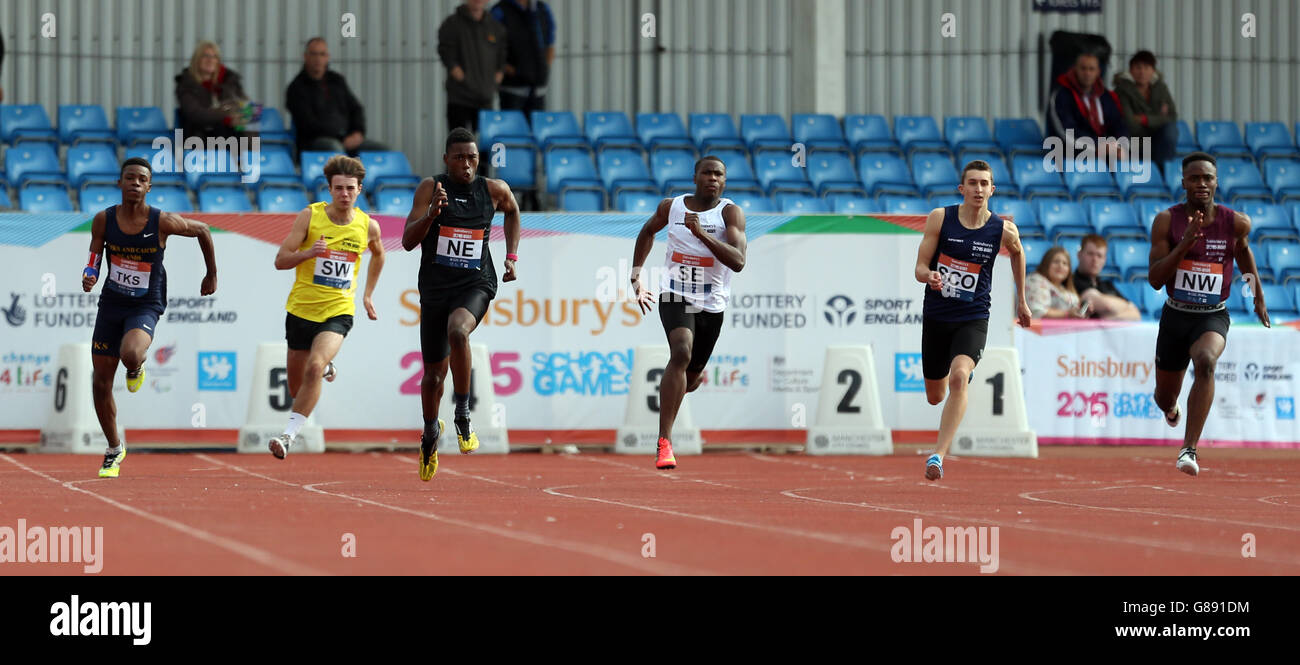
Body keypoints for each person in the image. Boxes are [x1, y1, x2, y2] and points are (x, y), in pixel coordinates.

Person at [82, 158, 218, 478]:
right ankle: (115, 448)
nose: (135, 183)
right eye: (129, 178)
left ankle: (137, 365)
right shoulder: (104, 219)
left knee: (130, 352)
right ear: (120, 183)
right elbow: (94, 255)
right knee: (100, 382)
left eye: (141, 179)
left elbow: (203, 230)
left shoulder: (161, 221)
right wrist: (89, 274)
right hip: (112, 303)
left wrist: (211, 274)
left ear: (149, 186)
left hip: (146, 304)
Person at [402, 127, 521, 481]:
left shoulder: (494, 190)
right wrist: (430, 216)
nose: (466, 165)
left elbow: (513, 211)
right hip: (436, 288)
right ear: (446, 160)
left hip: (475, 282)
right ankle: (429, 433)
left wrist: (511, 255)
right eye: (459, 158)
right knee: (433, 376)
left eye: (472, 158)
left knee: (459, 330)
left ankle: (463, 415)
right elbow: (408, 241)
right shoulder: (430, 188)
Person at [1148, 152, 1269, 477]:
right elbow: (1156, 279)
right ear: (1183, 182)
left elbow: (1243, 251)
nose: (1201, 184)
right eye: (1195, 178)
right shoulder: (1166, 221)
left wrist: (1257, 293)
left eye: (1208, 178)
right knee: (1163, 397)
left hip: (1212, 315)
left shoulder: (1236, 222)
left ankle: (1189, 449)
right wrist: (1183, 246)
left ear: (1216, 182)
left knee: (1206, 361)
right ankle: (1171, 408)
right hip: (1176, 315)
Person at [915, 160, 1033, 480]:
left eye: (984, 184)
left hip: (974, 316)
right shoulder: (941, 218)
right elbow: (919, 269)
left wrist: (1021, 300)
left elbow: (1019, 252)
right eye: (973, 183)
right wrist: (931, 276)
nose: (978, 189)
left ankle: (937, 455)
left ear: (992, 190)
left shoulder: (1003, 229)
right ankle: (957, 378)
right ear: (962, 188)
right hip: (938, 316)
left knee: (958, 378)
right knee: (935, 396)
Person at [628, 156, 748, 470]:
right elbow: (647, 232)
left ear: (724, 180)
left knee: (691, 378)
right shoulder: (673, 207)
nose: (713, 178)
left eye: (719, 174)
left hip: (712, 303)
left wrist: (702, 235)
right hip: (676, 293)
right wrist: (636, 275)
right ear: (694, 176)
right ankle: (664, 442)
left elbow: (738, 261)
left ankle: (689, 378)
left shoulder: (730, 213)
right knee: (680, 352)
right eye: (707, 172)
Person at [268, 155, 386, 459]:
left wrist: (368, 295)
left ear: (359, 190)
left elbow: (379, 255)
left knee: (315, 367)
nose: (344, 194)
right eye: (338, 188)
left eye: (350, 188)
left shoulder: (367, 226)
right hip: (300, 310)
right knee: (298, 387)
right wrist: (309, 253)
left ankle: (287, 436)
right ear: (329, 190)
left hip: (338, 310)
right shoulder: (310, 217)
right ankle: (326, 366)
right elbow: (280, 260)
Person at [285, 38, 390, 157]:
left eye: (322, 54)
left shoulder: (337, 81)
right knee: (335, 148)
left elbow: (356, 109)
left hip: (347, 140)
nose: (318, 59)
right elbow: (307, 124)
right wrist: (341, 138)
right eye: (314, 54)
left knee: (384, 151)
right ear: (305, 56)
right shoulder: (296, 88)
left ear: (327, 57)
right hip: (314, 143)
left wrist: (357, 133)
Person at [437, 0, 507, 134]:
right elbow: (446, 53)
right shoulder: (452, 24)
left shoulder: (495, 27)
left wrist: (497, 77)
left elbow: (502, 56)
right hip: (460, 97)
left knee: (486, 147)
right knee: (459, 147)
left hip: (485, 99)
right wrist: (459, 74)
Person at [1048, 52, 1131, 163]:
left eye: (1091, 69)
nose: (1087, 73)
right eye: (1083, 68)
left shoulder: (1105, 96)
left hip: (1103, 153)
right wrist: (1098, 146)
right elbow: (1066, 132)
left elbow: (1118, 123)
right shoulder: (1062, 95)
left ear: (1098, 72)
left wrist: (1119, 145)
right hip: (1069, 154)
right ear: (1075, 69)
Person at [175, 41, 259, 142]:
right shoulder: (186, 84)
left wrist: (241, 116)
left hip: (228, 134)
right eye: (205, 56)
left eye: (214, 57)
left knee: (250, 116)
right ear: (196, 60)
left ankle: (251, 154)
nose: (210, 60)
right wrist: (227, 115)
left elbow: (245, 104)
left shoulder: (230, 81)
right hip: (198, 136)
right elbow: (195, 114)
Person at [490, 0, 557, 118]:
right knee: (512, 133)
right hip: (512, 89)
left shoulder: (542, 9)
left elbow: (550, 43)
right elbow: (490, 48)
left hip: (538, 88)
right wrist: (510, 70)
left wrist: (545, 67)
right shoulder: (499, 11)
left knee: (536, 133)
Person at [1113, 50, 1180, 168]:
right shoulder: (1121, 91)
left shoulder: (1161, 88)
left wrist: (1145, 120)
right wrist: (1159, 119)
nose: (1142, 72)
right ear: (1131, 70)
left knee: (1171, 130)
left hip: (1157, 141)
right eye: (1138, 68)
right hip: (1133, 142)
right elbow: (1130, 123)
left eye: (1146, 67)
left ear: (1153, 70)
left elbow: (1172, 117)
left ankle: (1164, 173)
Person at [1074, 234, 1141, 320]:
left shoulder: (1107, 285)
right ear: (1079, 255)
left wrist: (1107, 320)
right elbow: (1107, 305)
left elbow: (1136, 314)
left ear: (1104, 260)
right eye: (1090, 254)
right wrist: (1124, 307)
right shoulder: (1072, 282)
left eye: (1099, 255)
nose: (1095, 259)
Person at [1026, 246, 1087, 319]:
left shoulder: (1067, 290)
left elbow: (1074, 314)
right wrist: (1067, 314)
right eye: (1056, 261)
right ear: (1046, 264)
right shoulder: (1035, 280)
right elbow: (1037, 311)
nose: (1060, 266)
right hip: (1034, 330)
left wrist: (1082, 312)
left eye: (1065, 263)